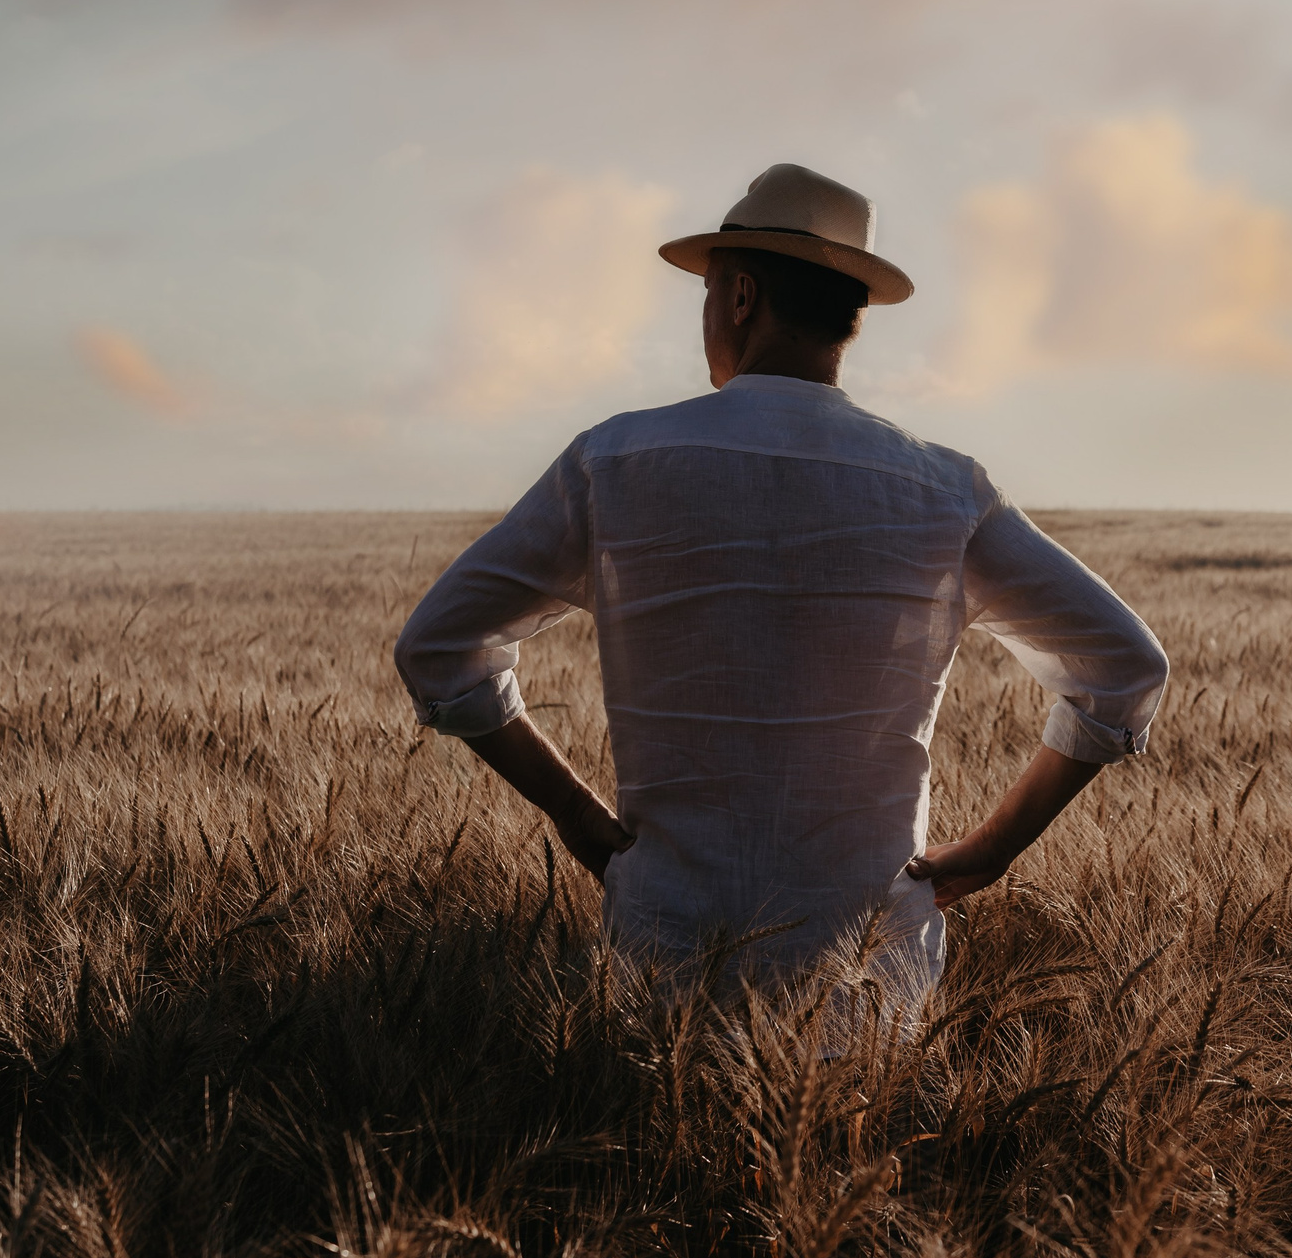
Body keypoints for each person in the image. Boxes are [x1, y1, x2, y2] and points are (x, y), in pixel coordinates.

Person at [394, 163, 1168, 1016]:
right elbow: (1125, 666)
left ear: (741, 297)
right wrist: (995, 847)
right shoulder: (944, 490)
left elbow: (437, 648)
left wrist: (578, 818)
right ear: (849, 318)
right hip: (869, 979)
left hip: (664, 956)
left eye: (707, 288)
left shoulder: (611, 464)